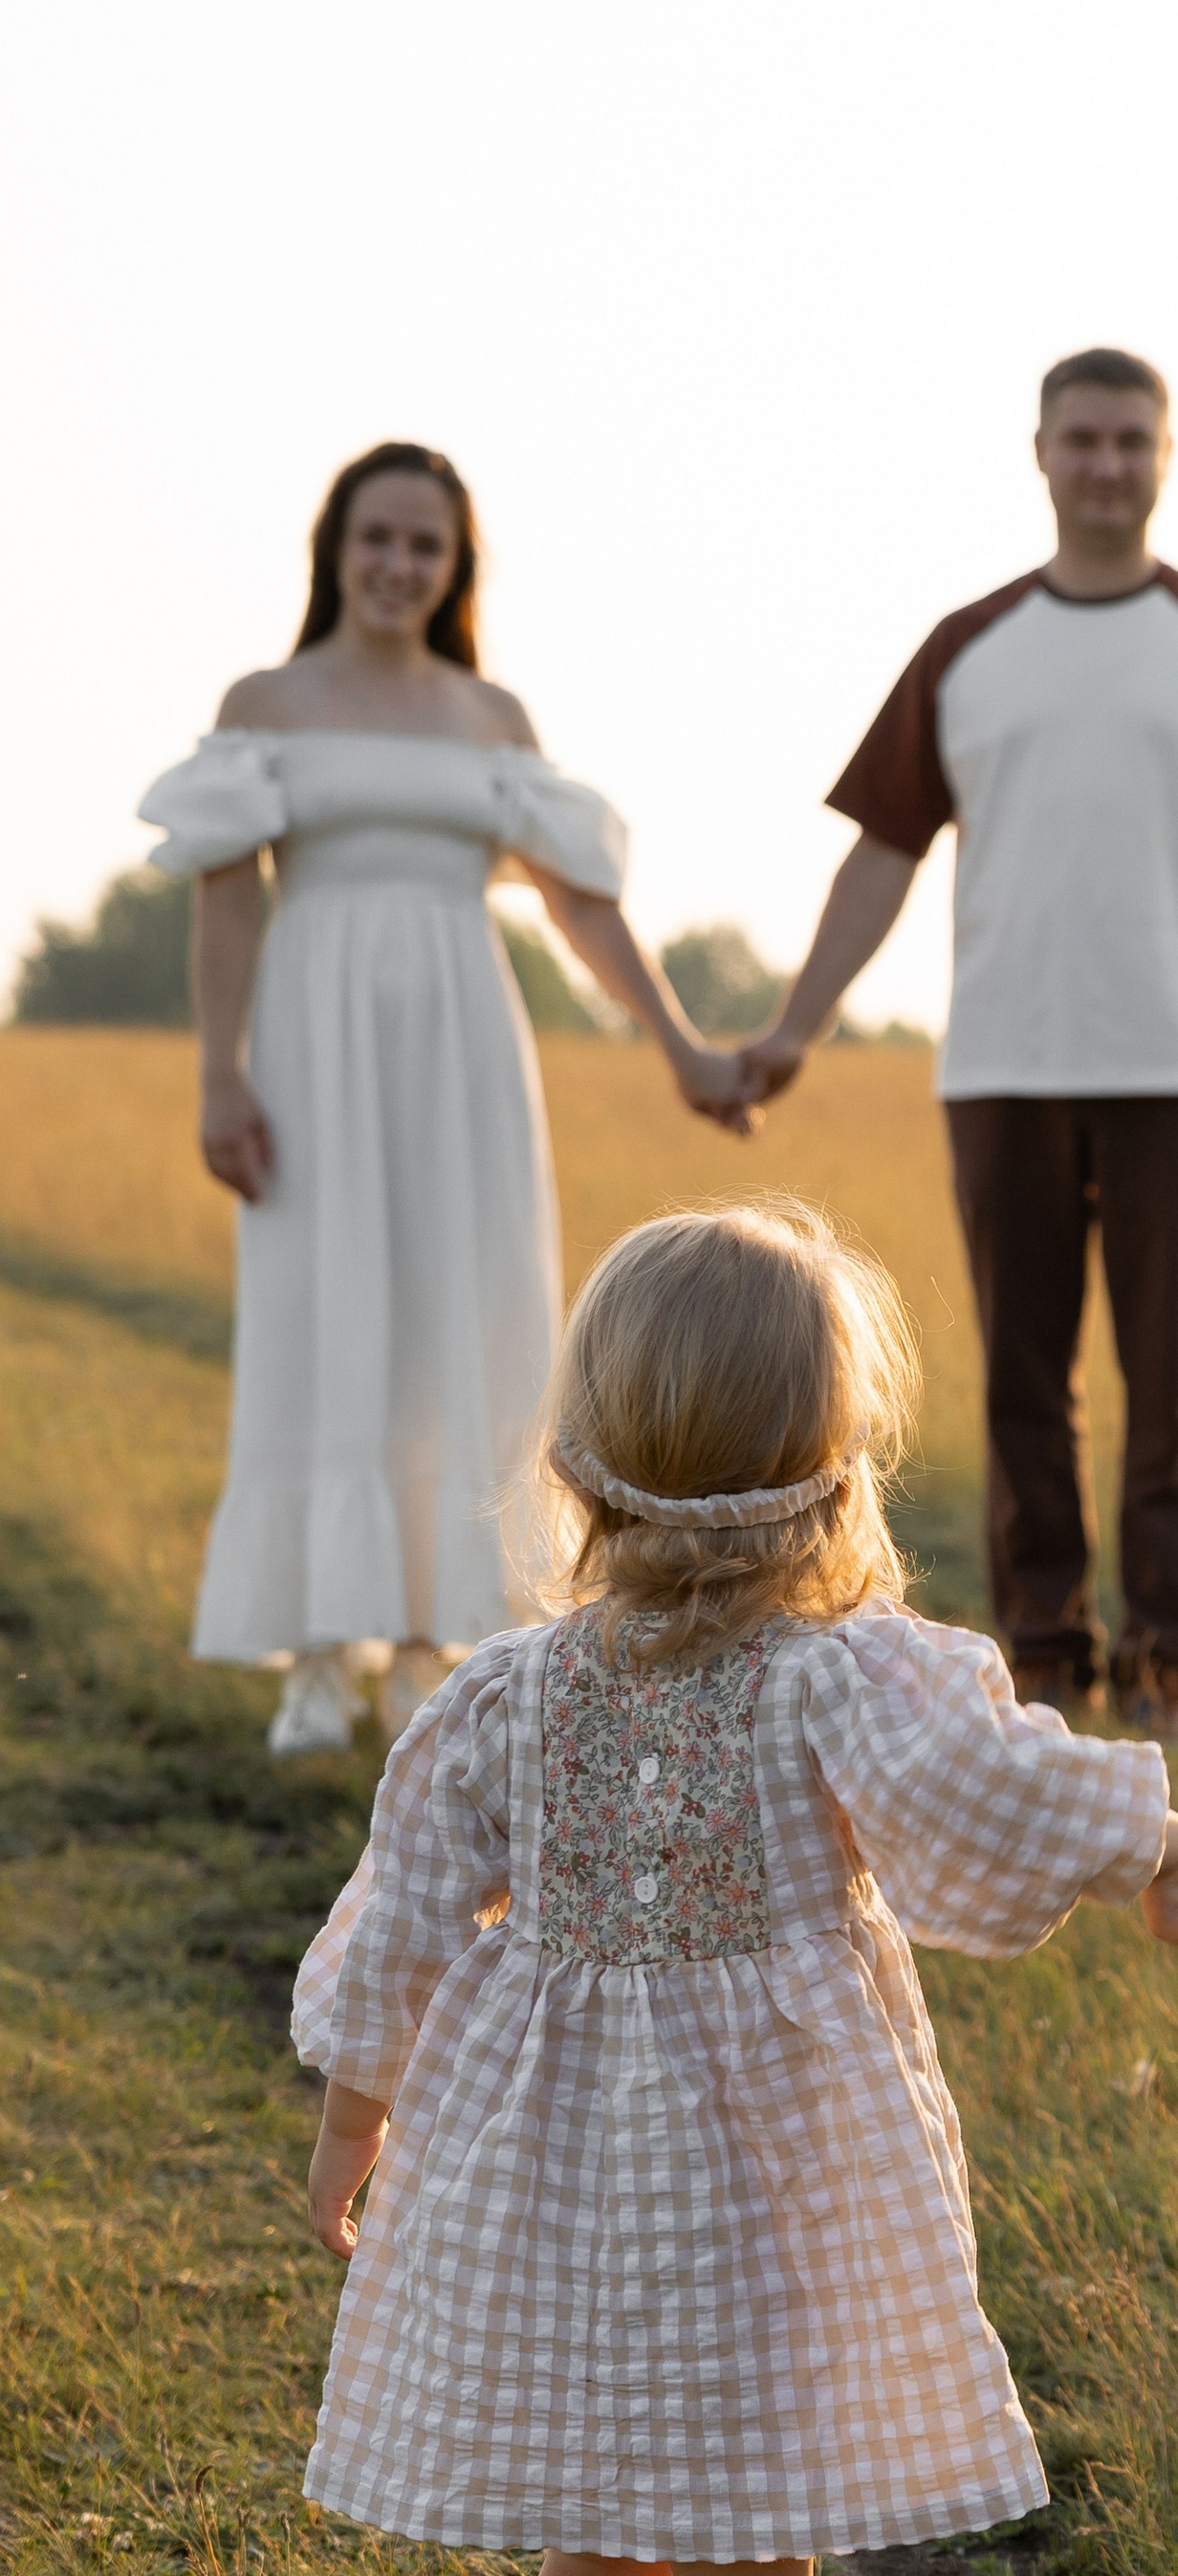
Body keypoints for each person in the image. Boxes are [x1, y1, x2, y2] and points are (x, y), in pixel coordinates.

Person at [294, 1199, 1178, 2576]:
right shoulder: (838, 1677)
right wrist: (1175, 1855)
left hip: (561, 2193)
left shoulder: (505, 1697)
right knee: (746, 2559)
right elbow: (1000, 1797)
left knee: (596, 2549)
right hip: (774, 2193)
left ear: (582, 1460)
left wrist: (354, 2124)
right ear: (830, 1466)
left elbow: (397, 1917)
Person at [737, 348, 1178, 1759]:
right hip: (1005, 1065)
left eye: (1132, 441)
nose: (1107, 465)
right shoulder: (970, 648)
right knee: (1027, 1382)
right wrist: (794, 1028)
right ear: (1038, 451)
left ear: (1167, 454)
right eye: (1083, 440)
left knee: (1172, 1383)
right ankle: (1041, 1661)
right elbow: (882, 852)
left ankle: (1169, 1672)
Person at [140, 439, 752, 1760]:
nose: (397, 565)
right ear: (334, 548)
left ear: (455, 567)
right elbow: (228, 891)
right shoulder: (267, 699)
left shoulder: (493, 720)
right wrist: (218, 1071)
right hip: (311, 1039)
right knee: (322, 1304)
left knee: (462, 1313)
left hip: (465, 1047)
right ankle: (318, 1654)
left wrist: (682, 1044)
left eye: (426, 545)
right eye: (377, 538)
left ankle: (433, 1651)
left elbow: (582, 905)